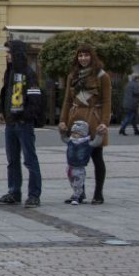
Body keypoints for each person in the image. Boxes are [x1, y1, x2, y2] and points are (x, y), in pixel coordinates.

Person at [59, 44, 111, 204]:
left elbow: (107, 101)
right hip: (75, 118)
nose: (83, 58)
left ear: (92, 56)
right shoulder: (72, 76)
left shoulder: (102, 76)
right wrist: (62, 120)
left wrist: (104, 122)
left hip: (94, 118)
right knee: (75, 159)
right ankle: (79, 192)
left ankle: (98, 194)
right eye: (80, 55)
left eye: (86, 55)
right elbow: (67, 100)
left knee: (96, 156)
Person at [0, 40, 43, 208]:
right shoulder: (10, 72)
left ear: (17, 54)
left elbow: (35, 99)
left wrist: (25, 116)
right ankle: (14, 192)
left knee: (30, 160)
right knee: (12, 160)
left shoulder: (29, 73)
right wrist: (1, 110)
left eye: (9, 52)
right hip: (10, 123)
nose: (6, 55)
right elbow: (5, 93)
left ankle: (34, 195)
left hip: (23, 123)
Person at [60, 120, 105, 205]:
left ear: (83, 134)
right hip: (70, 167)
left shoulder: (86, 143)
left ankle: (77, 197)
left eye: (77, 133)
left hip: (79, 168)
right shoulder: (71, 141)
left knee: (78, 182)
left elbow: (96, 143)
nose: (74, 135)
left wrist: (99, 134)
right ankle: (77, 193)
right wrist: (62, 133)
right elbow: (64, 138)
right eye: (73, 133)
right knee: (73, 182)